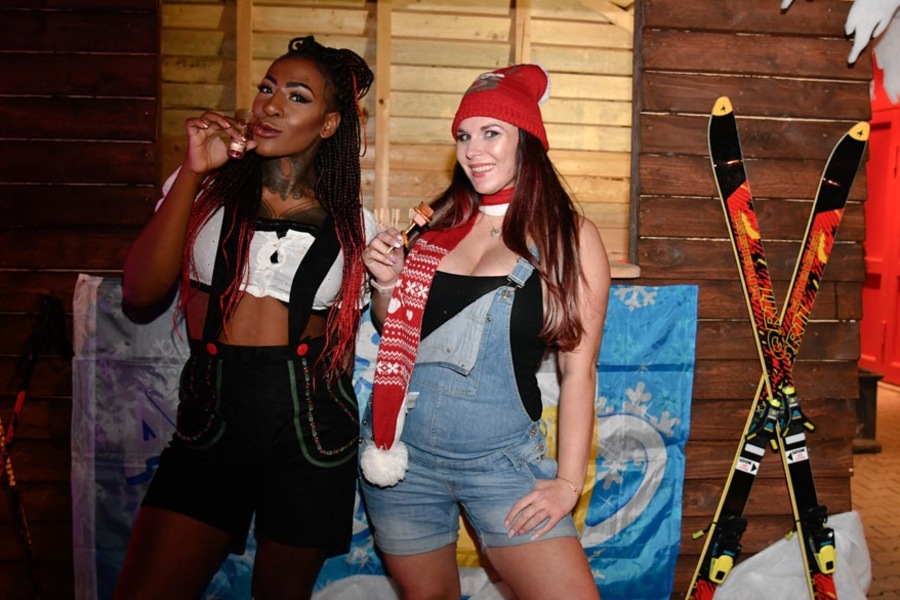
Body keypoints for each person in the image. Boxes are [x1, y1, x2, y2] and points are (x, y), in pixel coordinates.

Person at [115, 36, 375, 600]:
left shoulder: (357, 224)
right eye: (266, 88)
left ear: (329, 124)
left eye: (297, 96)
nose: (271, 105)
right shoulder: (202, 192)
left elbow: (353, 338)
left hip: (310, 421)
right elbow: (139, 292)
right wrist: (192, 170)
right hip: (214, 412)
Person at [359, 64, 610, 600]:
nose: (473, 150)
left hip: (500, 464)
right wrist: (386, 283)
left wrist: (567, 484)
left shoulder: (568, 238)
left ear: (527, 140)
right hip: (400, 458)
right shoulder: (435, 225)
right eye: (464, 136)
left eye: (491, 133)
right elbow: (392, 326)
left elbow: (578, 370)